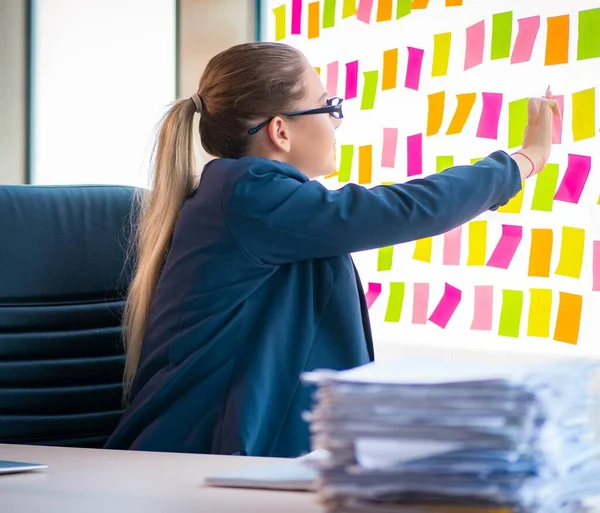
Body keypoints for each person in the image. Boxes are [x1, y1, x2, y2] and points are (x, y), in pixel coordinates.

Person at [104, 42, 560, 457]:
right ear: (280, 131)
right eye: (327, 106)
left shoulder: (255, 200)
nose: (336, 120)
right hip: (197, 461)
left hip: (227, 453)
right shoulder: (250, 196)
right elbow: (402, 209)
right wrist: (525, 160)